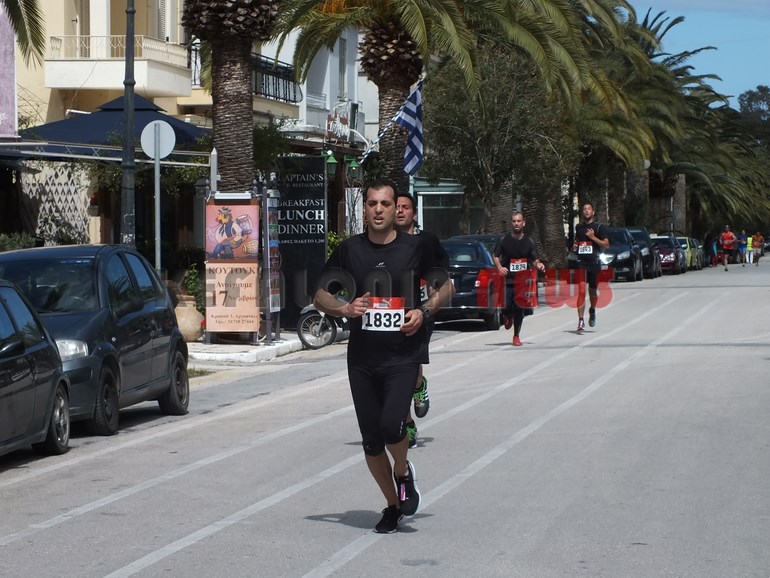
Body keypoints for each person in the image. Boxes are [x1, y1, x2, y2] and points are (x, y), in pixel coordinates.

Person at [313, 178, 452, 534]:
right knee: (372, 441)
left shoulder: (416, 247)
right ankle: (393, 505)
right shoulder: (350, 250)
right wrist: (345, 308)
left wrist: (423, 310)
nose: (378, 209)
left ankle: (403, 471)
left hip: (402, 356)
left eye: (385, 204)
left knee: (392, 426)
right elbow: (320, 296)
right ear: (365, 209)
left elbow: (446, 287)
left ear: (395, 209)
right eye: (372, 203)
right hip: (362, 359)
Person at [394, 192, 448, 448]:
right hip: (392, 315)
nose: (400, 211)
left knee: (412, 371)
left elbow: (442, 272)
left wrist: (433, 296)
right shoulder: (384, 242)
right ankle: (407, 423)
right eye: (397, 207)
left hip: (421, 313)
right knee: (397, 375)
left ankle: (420, 385)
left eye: (405, 207)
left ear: (414, 214)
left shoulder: (426, 241)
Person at [493, 211, 545, 346]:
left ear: (523, 223)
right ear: (512, 223)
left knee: (519, 307)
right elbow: (496, 255)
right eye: (514, 221)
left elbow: (534, 259)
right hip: (507, 279)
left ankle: (516, 336)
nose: (516, 223)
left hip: (522, 281)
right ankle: (507, 315)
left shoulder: (529, 242)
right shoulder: (504, 240)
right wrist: (499, 267)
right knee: (505, 306)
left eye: (519, 221)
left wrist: (539, 265)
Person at [572, 202, 609, 331]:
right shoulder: (579, 227)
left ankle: (592, 310)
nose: (586, 211)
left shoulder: (599, 227)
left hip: (594, 263)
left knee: (592, 291)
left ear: (593, 212)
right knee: (581, 291)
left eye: (589, 209)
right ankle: (581, 320)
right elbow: (577, 241)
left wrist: (593, 237)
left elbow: (606, 245)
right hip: (581, 263)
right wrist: (575, 246)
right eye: (584, 209)